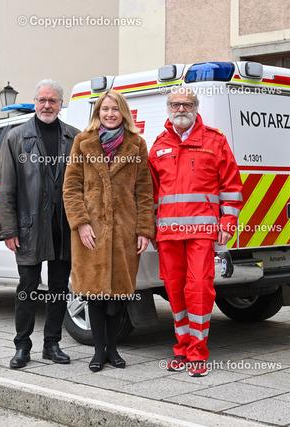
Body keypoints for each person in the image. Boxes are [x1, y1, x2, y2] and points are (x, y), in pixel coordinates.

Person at [148, 87, 243, 377]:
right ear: (169, 108)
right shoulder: (158, 145)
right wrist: (150, 228)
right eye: (175, 104)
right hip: (168, 234)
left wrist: (228, 222)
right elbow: (151, 194)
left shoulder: (215, 141)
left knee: (199, 288)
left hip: (202, 231)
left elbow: (231, 186)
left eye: (187, 104)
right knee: (174, 290)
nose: (181, 109)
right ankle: (182, 348)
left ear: (196, 107)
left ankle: (198, 352)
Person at [63, 89, 154, 373]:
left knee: (118, 296)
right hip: (91, 232)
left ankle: (113, 350)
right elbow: (71, 187)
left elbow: (144, 190)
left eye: (115, 109)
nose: (110, 114)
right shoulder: (82, 142)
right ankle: (98, 352)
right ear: (98, 113)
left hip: (124, 231)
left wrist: (143, 229)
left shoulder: (137, 144)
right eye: (105, 109)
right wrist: (81, 223)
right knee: (94, 295)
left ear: (123, 112)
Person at [0, 79, 80, 369]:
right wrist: (8, 230)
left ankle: (52, 344)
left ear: (60, 104)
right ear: (35, 103)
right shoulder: (16, 137)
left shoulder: (74, 137)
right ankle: (22, 347)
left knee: (59, 287)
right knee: (27, 287)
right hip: (29, 227)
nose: (47, 105)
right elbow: (5, 188)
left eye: (53, 100)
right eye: (42, 100)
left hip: (63, 226)